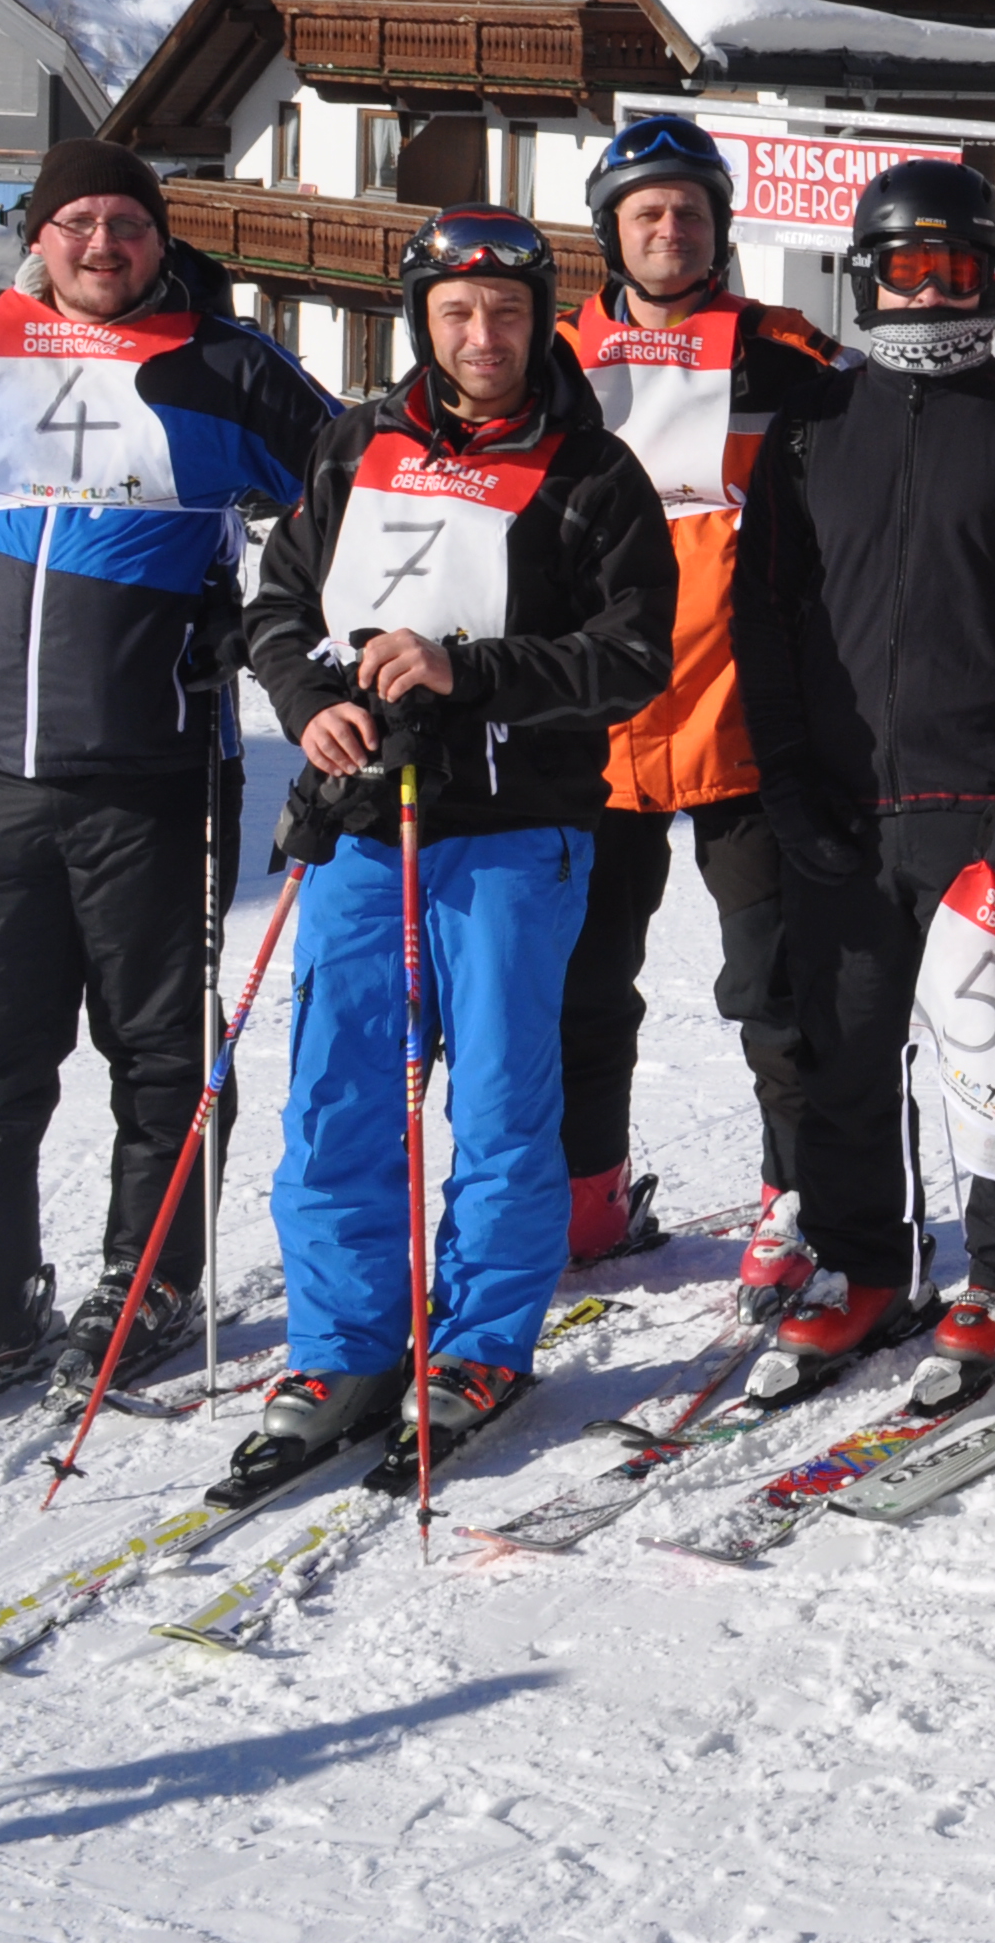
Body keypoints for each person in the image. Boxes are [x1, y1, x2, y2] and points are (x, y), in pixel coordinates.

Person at [0, 138, 333, 1401]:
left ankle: (150, 1279)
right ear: (40, 232)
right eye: (77, 221)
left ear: (158, 237)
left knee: (161, 1050)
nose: (102, 244)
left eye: (127, 221)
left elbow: (354, 493)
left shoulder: (222, 365)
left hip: (157, 768)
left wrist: (267, 621)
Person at [237, 209, 674, 1471]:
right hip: (367, 830)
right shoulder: (355, 445)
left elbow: (634, 652)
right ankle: (346, 1342)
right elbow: (278, 604)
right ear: (422, 322)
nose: (483, 337)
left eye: (506, 313)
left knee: (493, 1102)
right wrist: (311, 705)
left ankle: (480, 1337)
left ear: (540, 320)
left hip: (509, 833)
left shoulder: (592, 471)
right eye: (456, 314)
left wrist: (470, 669)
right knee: (338, 1098)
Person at [732, 161, 995, 1395]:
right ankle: (869, 1264)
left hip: (980, 800)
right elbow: (764, 618)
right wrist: (787, 777)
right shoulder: (810, 429)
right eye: (906, 270)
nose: (931, 291)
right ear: (864, 278)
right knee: (845, 1050)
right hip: (838, 802)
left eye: (954, 270)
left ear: (992, 280)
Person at [550, 113, 842, 1290]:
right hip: (590, 722)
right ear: (610, 233)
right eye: (645, 211)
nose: (669, 228)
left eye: (689, 209)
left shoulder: (787, 354)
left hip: (745, 718)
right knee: (582, 981)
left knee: (773, 982)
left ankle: (796, 1192)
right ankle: (586, 1195)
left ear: (719, 226)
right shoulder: (554, 359)